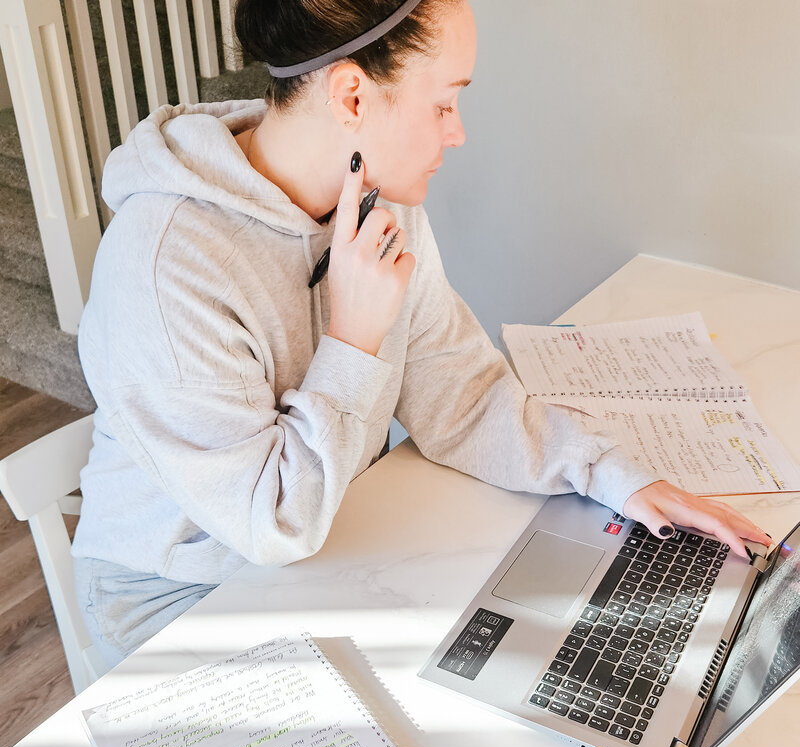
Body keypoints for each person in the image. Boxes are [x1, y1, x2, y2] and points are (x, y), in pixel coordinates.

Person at [72, 0, 768, 667]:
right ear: (351, 97)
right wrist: (352, 337)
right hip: (175, 596)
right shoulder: (167, 263)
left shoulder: (379, 208)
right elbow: (271, 523)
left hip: (325, 542)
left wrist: (615, 474)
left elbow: (461, 395)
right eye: (443, 103)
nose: (457, 131)